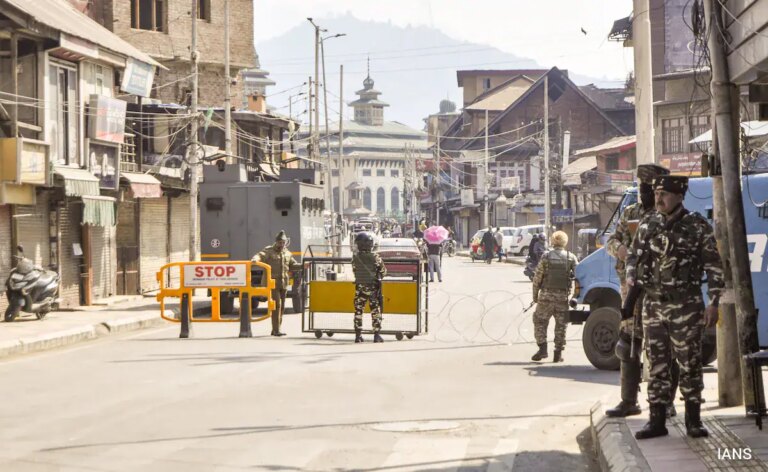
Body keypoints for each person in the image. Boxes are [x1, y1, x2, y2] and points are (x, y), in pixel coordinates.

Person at [626, 175, 723, 440]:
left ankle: (693, 420)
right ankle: (656, 420)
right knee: (656, 364)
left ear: (680, 195)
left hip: (686, 305)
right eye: (656, 193)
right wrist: (631, 275)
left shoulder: (697, 226)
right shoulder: (648, 223)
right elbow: (633, 255)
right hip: (653, 305)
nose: (658, 198)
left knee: (689, 362)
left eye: (664, 194)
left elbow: (715, 268)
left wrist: (713, 303)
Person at [604, 164, 681, 419]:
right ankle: (629, 400)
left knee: (665, 346)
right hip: (631, 288)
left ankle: (666, 402)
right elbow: (611, 241)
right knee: (627, 344)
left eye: (650, 188)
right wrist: (620, 250)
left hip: (661, 290)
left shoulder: (668, 215)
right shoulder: (630, 212)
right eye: (643, 187)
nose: (646, 193)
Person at [530, 231, 579, 363]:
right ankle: (558, 354)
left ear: (552, 241)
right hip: (562, 297)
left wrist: (535, 296)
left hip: (545, 296)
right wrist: (575, 297)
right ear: (565, 242)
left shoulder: (546, 256)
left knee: (540, 321)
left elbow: (537, 278)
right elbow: (579, 278)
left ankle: (542, 349)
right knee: (561, 326)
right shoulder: (571, 257)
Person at [252, 230, 300, 337]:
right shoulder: (269, 251)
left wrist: (303, 266)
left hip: (283, 283)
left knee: (282, 306)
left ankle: (277, 328)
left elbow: (293, 265)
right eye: (280, 243)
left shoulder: (287, 253)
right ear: (276, 242)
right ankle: (276, 330)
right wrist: (255, 259)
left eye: (283, 242)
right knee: (277, 305)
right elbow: (260, 255)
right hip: (273, 284)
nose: (282, 245)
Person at [352, 231, 387, 343]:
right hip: (373, 289)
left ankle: (358, 336)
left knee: (358, 312)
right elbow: (383, 271)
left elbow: (355, 271)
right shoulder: (376, 257)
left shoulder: (355, 258)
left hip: (360, 289)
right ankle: (376, 336)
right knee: (375, 311)